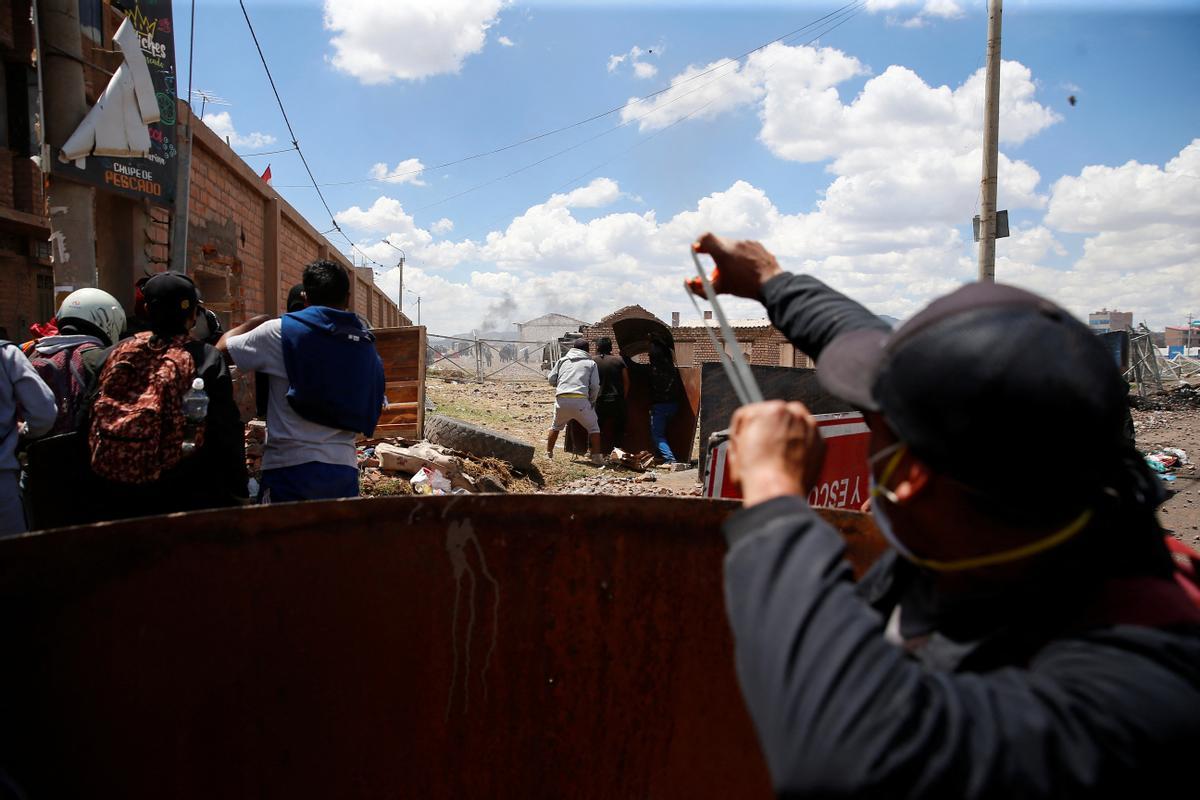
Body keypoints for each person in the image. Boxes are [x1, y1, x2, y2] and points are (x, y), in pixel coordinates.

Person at [691, 233, 1200, 798]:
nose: (867, 420)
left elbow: (850, 758)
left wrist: (774, 497)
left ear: (909, 478)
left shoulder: (1136, 693)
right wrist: (769, 279)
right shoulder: (1038, 497)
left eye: (874, 426)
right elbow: (853, 335)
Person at [87, 272, 248, 521]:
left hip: (115, 488)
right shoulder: (206, 358)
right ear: (192, 314)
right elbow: (225, 429)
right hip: (183, 491)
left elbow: (87, 414)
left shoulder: (116, 351)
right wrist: (238, 488)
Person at [219, 261, 385, 503]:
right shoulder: (363, 343)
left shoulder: (279, 331)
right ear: (348, 299)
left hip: (290, 470)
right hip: (344, 471)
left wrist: (256, 322)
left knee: (285, 541)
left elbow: (220, 350)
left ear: (305, 297)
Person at [26, 288, 126, 435]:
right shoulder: (100, 357)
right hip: (77, 449)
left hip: (31, 449)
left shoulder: (35, 352)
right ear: (109, 318)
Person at [0, 338, 56, 536]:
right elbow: (44, 414)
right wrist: (23, 432)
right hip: (3, 483)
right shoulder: (6, 354)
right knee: (12, 563)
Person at [546, 338, 603, 464]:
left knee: (555, 427)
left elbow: (551, 379)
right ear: (587, 350)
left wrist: (561, 385)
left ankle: (548, 454)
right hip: (581, 400)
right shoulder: (590, 363)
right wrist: (592, 401)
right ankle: (597, 457)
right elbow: (595, 386)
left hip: (562, 398)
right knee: (594, 428)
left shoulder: (562, 361)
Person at [647, 333, 681, 463]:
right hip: (673, 405)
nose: (649, 354)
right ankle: (659, 456)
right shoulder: (671, 368)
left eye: (650, 351)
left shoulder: (653, 370)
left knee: (657, 434)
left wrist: (625, 358)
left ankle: (670, 459)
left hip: (660, 406)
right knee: (664, 432)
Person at [593, 336, 628, 451]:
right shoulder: (619, 360)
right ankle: (617, 451)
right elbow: (627, 381)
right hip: (616, 399)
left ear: (598, 347)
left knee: (596, 427)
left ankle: (594, 450)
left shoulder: (593, 361)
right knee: (619, 427)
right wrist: (624, 396)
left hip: (599, 399)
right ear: (610, 347)